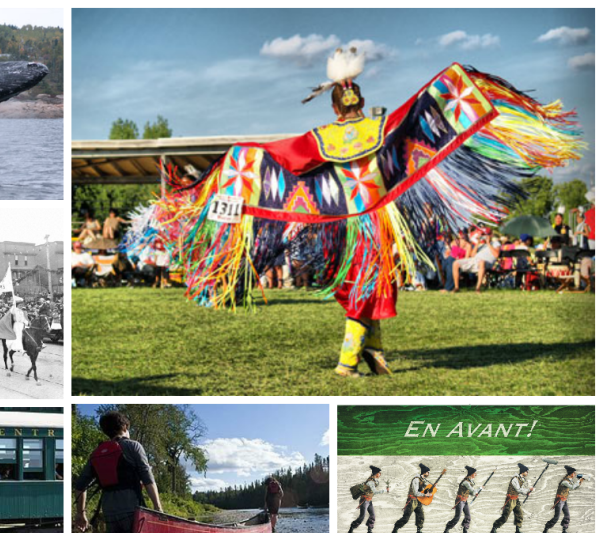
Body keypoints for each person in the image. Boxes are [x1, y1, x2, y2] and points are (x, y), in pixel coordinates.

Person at [144, 49, 582, 378]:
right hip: (376, 222)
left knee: (368, 285)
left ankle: (370, 354)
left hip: (340, 228)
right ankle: (349, 359)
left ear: (335, 105)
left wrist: (239, 159)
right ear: (359, 100)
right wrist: (454, 83)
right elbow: (416, 117)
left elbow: (286, 158)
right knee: (367, 285)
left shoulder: (320, 138)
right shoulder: (381, 129)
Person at [74, 411, 163, 533]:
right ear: (125, 427)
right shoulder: (133, 447)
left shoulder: (97, 453)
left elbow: (80, 486)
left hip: (110, 513)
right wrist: (158, 509)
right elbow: (148, 479)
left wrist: (81, 514)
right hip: (133, 510)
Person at [392, 463, 433, 533]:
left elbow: (424, 489)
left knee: (420, 515)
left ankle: (419, 531)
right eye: (427, 472)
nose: (428, 474)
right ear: (424, 472)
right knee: (406, 517)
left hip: (418, 500)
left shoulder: (422, 480)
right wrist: (425, 495)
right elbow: (416, 492)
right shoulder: (416, 480)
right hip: (412, 500)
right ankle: (395, 530)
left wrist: (431, 487)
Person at [491, 463, 532, 533]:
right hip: (510, 500)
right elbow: (518, 489)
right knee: (505, 516)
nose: (527, 473)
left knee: (519, 514)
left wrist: (526, 493)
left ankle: (517, 530)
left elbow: (520, 490)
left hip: (516, 499)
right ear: (522, 472)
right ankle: (494, 529)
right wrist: (528, 490)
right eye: (526, 471)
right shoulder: (515, 479)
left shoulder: (521, 479)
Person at [543, 465, 584, 533]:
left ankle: (564, 530)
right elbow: (572, 487)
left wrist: (580, 482)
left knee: (567, 515)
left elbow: (574, 486)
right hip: (559, 500)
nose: (575, 474)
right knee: (556, 517)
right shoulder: (565, 481)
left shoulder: (569, 480)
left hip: (564, 500)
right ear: (571, 474)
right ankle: (545, 529)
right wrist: (579, 481)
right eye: (574, 473)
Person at [444, 466, 483, 533]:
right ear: (471, 474)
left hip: (465, 501)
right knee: (457, 517)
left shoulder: (469, 482)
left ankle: (465, 531)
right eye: (475, 473)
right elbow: (473, 491)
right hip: (460, 501)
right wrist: (479, 488)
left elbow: (470, 493)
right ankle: (446, 530)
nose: (476, 474)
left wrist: (474, 494)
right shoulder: (466, 482)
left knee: (468, 516)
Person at [348, 465, 386, 533]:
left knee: (372, 515)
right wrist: (384, 490)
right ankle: (351, 530)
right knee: (362, 517)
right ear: (376, 473)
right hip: (364, 501)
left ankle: (369, 531)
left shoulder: (374, 481)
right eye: (379, 473)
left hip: (369, 500)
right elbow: (375, 492)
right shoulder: (370, 482)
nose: (380, 474)